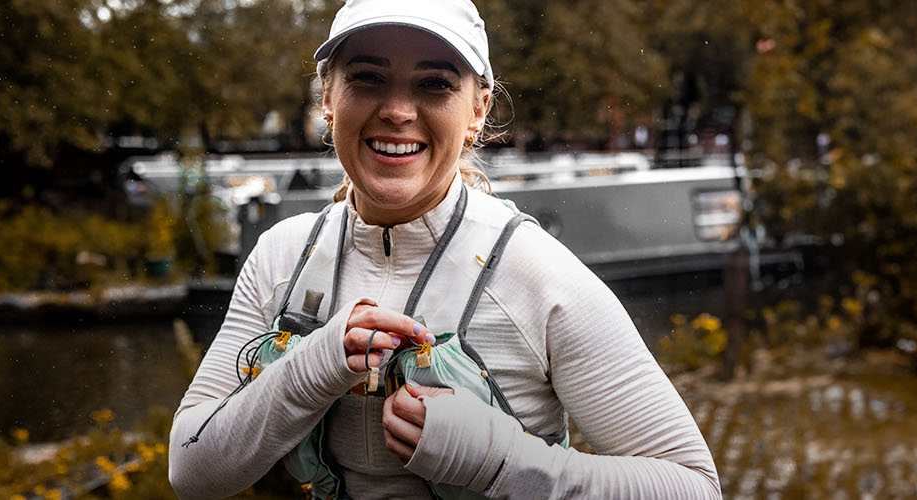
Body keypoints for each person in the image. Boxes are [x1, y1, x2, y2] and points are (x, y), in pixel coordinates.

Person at [165, 1, 718, 498]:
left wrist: (505, 464)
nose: (398, 110)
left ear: (476, 111)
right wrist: (313, 367)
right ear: (328, 100)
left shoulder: (535, 272)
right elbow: (191, 471)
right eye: (367, 78)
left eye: (434, 84)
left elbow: (692, 486)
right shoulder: (280, 258)